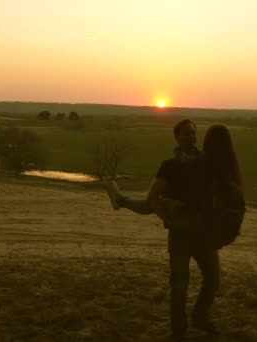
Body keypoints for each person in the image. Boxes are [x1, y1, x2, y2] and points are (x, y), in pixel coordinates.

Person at [104, 121, 244, 339]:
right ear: (177, 137)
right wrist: (167, 216)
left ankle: (200, 317)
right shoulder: (169, 165)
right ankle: (178, 331)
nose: (191, 137)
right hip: (180, 234)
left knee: (213, 280)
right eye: (187, 134)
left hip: (203, 232)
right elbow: (152, 198)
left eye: (194, 134)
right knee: (179, 285)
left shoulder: (206, 162)